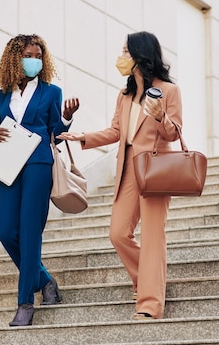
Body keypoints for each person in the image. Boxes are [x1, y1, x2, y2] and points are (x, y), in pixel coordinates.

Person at [59, 31, 181, 320]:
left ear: (141, 55)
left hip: (155, 169)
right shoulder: (125, 95)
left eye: (126, 52)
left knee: (152, 236)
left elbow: (174, 132)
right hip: (127, 170)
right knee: (117, 233)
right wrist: (83, 137)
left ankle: (150, 303)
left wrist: (161, 115)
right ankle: (148, 279)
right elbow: (117, 132)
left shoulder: (169, 91)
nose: (122, 57)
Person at [0, 34, 79, 327]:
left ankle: (25, 303)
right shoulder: (1, 95)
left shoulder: (52, 92)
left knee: (29, 233)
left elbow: (56, 131)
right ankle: (46, 280)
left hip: (38, 163)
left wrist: (66, 119)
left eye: (38, 56)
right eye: (28, 55)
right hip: (8, 164)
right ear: (15, 58)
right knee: (5, 232)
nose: (34, 60)